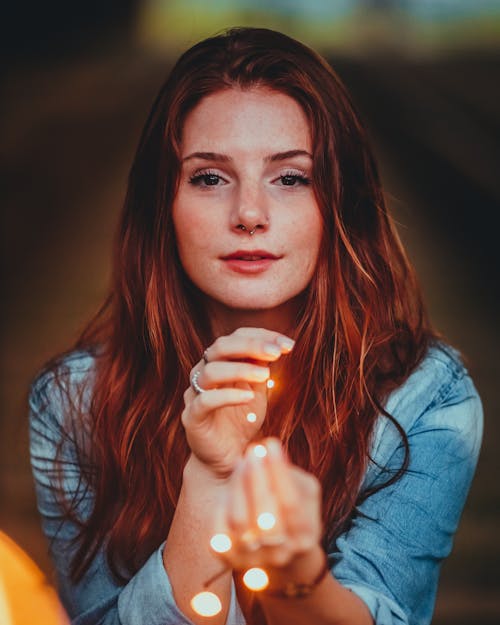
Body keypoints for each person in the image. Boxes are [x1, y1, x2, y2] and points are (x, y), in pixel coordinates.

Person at [29, 27, 483, 625]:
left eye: (290, 177)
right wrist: (209, 476)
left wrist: (297, 577)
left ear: (338, 202)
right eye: (210, 177)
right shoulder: (73, 402)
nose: (249, 215)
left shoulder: (425, 397)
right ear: (162, 206)